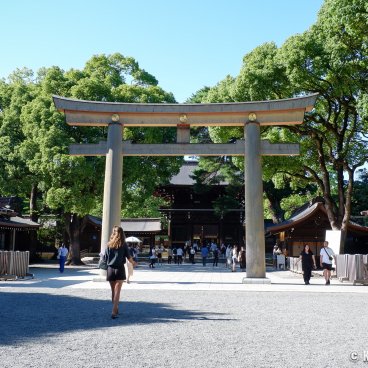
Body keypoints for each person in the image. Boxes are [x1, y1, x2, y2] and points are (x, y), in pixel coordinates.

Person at [103, 226, 135, 319]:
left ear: (113, 233)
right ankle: (113, 311)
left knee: (113, 291)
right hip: (119, 269)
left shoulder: (109, 244)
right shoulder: (123, 244)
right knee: (118, 291)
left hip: (110, 269)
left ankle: (115, 309)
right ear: (122, 233)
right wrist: (133, 263)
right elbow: (129, 257)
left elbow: (105, 258)